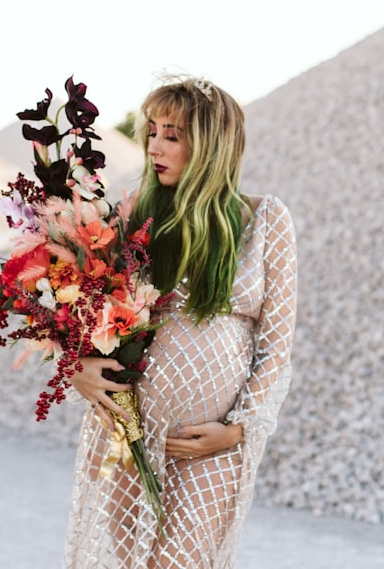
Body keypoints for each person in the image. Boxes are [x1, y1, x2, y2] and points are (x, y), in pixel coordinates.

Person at [65, 77, 297, 568]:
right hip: (127, 432)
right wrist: (78, 367)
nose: (154, 146)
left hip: (210, 446)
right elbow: (80, 313)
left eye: (172, 135)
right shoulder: (130, 216)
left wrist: (238, 429)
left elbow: (276, 345)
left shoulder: (265, 221)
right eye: (151, 132)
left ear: (212, 144)